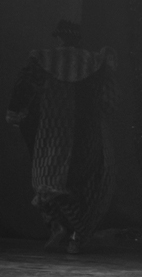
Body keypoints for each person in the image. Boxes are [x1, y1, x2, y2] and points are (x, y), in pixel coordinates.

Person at [6, 20, 117, 254]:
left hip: (54, 129)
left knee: (49, 183)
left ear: (58, 38)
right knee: (73, 185)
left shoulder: (44, 59)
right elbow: (107, 98)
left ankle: (72, 231)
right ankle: (72, 232)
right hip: (82, 131)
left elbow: (24, 86)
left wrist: (16, 112)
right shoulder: (94, 61)